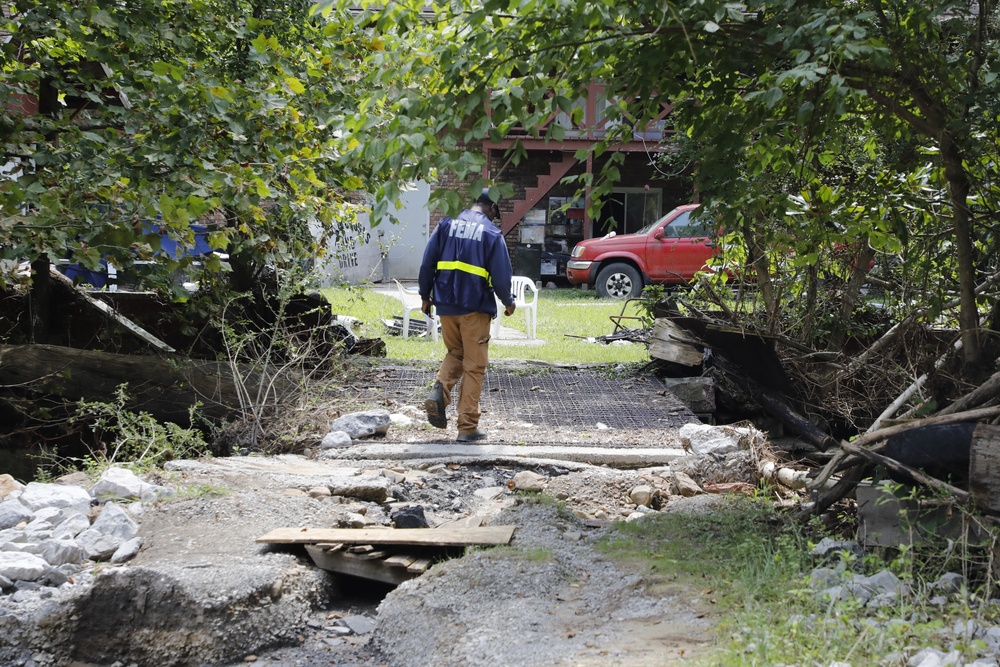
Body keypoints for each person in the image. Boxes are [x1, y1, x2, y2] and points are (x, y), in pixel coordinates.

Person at [418, 189, 516, 442]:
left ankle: (440, 389)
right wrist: (508, 301)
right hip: (474, 307)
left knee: (456, 353)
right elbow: (502, 274)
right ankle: (468, 427)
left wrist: (425, 295)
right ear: (492, 207)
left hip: (446, 307)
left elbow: (427, 262)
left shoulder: (445, 224)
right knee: (475, 367)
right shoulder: (492, 233)